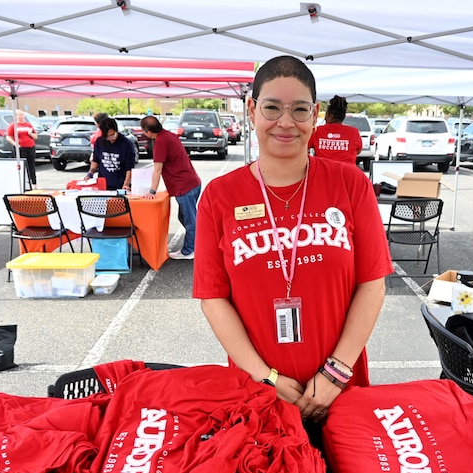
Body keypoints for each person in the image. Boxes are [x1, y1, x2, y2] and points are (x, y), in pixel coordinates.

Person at [192, 55, 393, 433]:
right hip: (257, 393)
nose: (286, 122)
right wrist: (265, 377)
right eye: (272, 107)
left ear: (315, 114)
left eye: (299, 110)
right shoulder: (220, 196)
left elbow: (373, 283)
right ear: (252, 110)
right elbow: (212, 297)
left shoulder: (350, 185)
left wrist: (335, 372)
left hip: (342, 391)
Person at [136, 115, 202, 260]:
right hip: (191, 183)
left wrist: (152, 191)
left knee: (190, 220)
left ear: (148, 131)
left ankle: (190, 250)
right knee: (185, 217)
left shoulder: (160, 142)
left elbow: (157, 170)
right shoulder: (169, 136)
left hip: (184, 186)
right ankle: (197, 244)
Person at [307, 95, 362, 167]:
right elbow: (358, 150)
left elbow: (304, 147)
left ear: (331, 115)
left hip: (323, 173)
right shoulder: (354, 132)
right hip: (347, 174)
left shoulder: (317, 131)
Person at [86, 117, 136, 191]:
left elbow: (129, 168)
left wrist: (126, 184)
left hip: (120, 185)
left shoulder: (126, 144)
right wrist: (90, 174)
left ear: (116, 131)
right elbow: (95, 161)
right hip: (103, 185)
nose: (110, 138)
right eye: (107, 137)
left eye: (112, 135)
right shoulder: (99, 142)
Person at [5, 109, 38, 189]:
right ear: (16, 116)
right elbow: (8, 137)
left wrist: (30, 133)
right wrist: (15, 144)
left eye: (22, 115)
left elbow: (35, 137)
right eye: (19, 115)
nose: (21, 116)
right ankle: (23, 184)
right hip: (20, 148)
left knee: (31, 166)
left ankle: (34, 184)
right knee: (22, 166)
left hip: (30, 147)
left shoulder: (28, 125)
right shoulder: (13, 125)